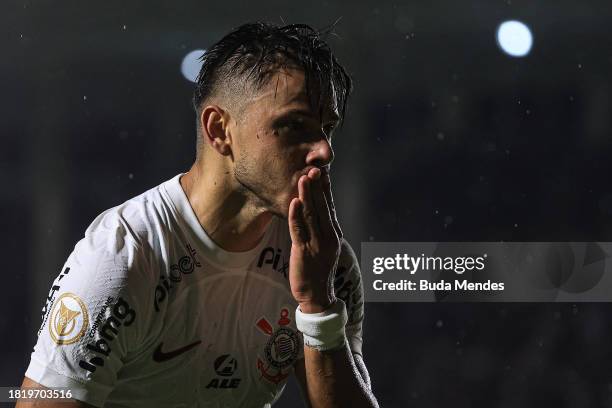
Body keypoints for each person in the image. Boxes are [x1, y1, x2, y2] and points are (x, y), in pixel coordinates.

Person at [18, 22, 379, 408]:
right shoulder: (126, 254)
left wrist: (317, 303)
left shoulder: (326, 261)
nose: (324, 151)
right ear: (219, 129)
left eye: (327, 128)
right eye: (294, 125)